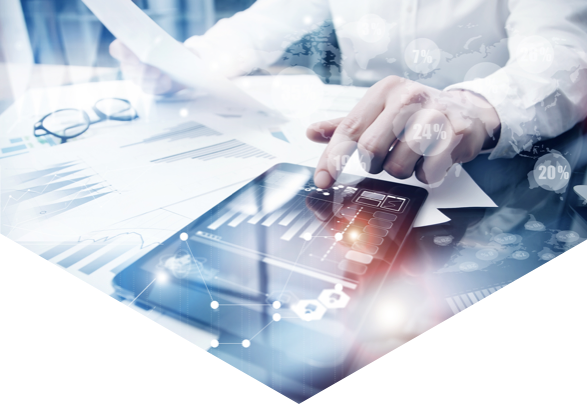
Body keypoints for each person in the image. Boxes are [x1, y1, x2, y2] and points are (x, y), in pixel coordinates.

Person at [110, 0, 587, 188]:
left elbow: (564, 56)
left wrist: (475, 106)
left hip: (486, 165)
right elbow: (260, 26)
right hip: (351, 157)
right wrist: (188, 65)